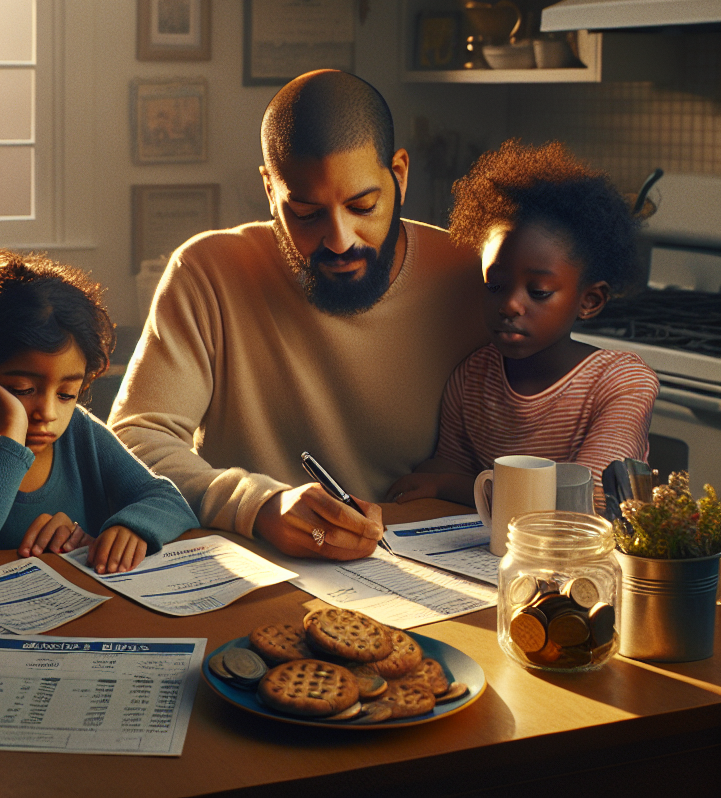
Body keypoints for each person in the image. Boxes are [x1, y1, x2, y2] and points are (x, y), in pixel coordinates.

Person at [109, 69, 488, 561]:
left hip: (425, 573)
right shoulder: (207, 271)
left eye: (363, 206)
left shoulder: (473, 276)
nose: (339, 239)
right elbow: (133, 441)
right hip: (250, 571)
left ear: (399, 173)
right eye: (307, 214)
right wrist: (259, 505)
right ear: (270, 188)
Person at [386, 140, 659, 511]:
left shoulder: (621, 382)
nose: (511, 304)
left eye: (539, 291)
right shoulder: (472, 377)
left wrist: (451, 484)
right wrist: (448, 481)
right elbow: (440, 469)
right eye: (495, 286)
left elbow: (583, 502)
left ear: (589, 301)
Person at [0, 250, 198, 577]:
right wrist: (11, 437)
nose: (48, 413)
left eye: (67, 394)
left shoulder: (80, 433)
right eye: (23, 389)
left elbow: (170, 502)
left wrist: (130, 527)